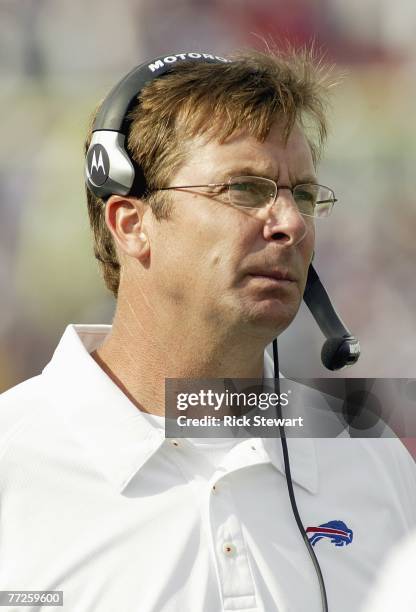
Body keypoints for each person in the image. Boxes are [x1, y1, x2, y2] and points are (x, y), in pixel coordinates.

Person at [0, 48, 415, 612]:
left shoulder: (372, 457)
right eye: (244, 189)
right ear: (132, 222)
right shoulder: (14, 464)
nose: (291, 224)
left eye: (304, 195)